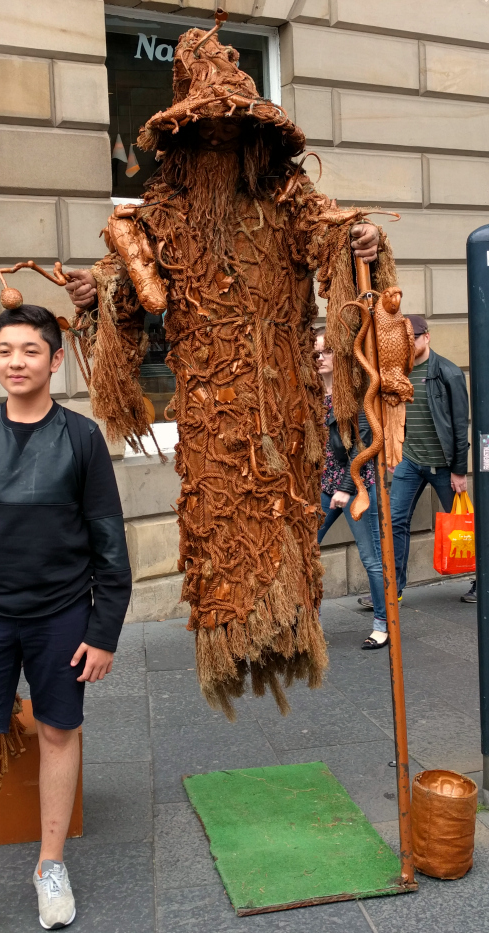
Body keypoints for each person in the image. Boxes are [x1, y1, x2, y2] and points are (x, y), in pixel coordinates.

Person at [58, 17, 389, 717]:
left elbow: (333, 230)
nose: (217, 143)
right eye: (203, 133)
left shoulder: (285, 200)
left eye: (230, 132)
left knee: (283, 517)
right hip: (210, 409)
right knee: (220, 529)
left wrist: (360, 239)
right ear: (183, 142)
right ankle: (233, 641)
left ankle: (290, 631)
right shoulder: (164, 215)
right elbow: (126, 286)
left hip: (284, 398)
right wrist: (100, 295)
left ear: (254, 140)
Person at [0, 305, 132, 932]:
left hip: (62, 615)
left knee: (60, 732)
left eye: (31, 350)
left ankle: (50, 865)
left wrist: (103, 630)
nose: (16, 361)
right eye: (6, 349)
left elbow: (109, 542)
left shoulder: (82, 437)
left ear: (56, 360)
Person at [358, 313, 469, 608]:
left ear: (427, 337)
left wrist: (460, 470)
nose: (409, 343)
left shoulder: (448, 372)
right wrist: (395, 452)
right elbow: (394, 415)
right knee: (394, 522)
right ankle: (393, 589)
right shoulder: (399, 373)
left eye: (414, 338)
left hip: (445, 465)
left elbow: (460, 425)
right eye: (404, 339)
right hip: (409, 461)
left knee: (464, 524)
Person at [315, 329, 388, 649]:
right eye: (315, 353)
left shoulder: (354, 397)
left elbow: (364, 445)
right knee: (305, 549)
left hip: (357, 485)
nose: (320, 358)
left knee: (371, 558)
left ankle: (383, 624)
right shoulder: (312, 396)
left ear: (339, 356)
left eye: (326, 352)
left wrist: (347, 486)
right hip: (324, 485)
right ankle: (305, 621)